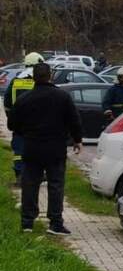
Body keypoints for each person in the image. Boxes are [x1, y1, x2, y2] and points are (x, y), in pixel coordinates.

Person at [8, 62, 83, 235]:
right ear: (50, 76)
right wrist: (77, 140)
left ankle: (27, 223)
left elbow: (12, 124)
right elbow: (74, 120)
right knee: (56, 185)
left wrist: (26, 132)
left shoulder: (24, 99)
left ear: (33, 77)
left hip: (32, 148)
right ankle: (55, 223)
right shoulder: (62, 97)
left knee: (30, 185)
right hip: (56, 149)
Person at [3, 52, 44, 186]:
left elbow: (7, 102)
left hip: (19, 124)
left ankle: (20, 175)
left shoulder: (16, 81)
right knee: (37, 149)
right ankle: (36, 175)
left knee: (19, 151)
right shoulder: (40, 81)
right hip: (37, 124)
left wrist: (11, 118)